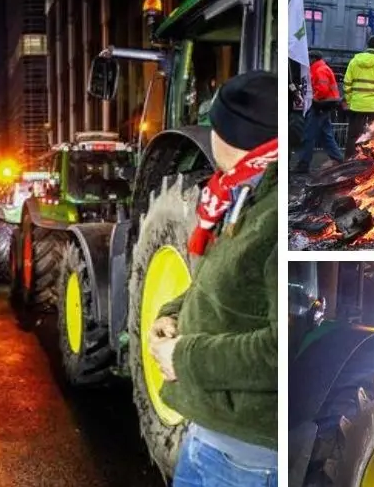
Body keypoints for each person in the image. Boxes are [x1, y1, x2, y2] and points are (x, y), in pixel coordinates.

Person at [150, 71, 278, 486]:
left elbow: (277, 352)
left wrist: (182, 357)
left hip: (246, 460)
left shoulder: (272, 216)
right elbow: (224, 284)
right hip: (206, 437)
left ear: (230, 137)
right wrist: (173, 312)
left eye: (214, 126)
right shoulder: (237, 194)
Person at [292, 51, 343, 174]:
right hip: (325, 106)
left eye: (309, 58)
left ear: (313, 59)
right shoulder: (322, 68)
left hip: (319, 106)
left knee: (308, 135)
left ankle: (303, 163)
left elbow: (322, 90)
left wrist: (314, 99)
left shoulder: (319, 70)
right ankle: (338, 158)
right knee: (326, 135)